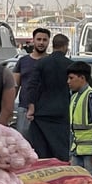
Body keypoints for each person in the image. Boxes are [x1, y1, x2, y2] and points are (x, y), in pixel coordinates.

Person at [26, 33, 73, 161]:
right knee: (60, 150)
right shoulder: (70, 65)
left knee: (41, 151)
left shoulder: (42, 63)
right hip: (62, 112)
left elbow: (31, 86)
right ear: (65, 46)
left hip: (42, 113)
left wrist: (31, 107)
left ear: (53, 45)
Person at [67, 61, 92, 177]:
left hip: (90, 153)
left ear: (82, 78)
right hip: (77, 151)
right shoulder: (74, 97)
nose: (68, 82)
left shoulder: (91, 96)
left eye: (71, 78)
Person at [14, 27, 50, 134]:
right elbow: (15, 86)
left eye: (44, 40)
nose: (41, 42)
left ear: (49, 41)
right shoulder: (22, 61)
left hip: (46, 110)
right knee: (23, 144)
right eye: (38, 39)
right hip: (24, 109)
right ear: (33, 40)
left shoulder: (52, 61)